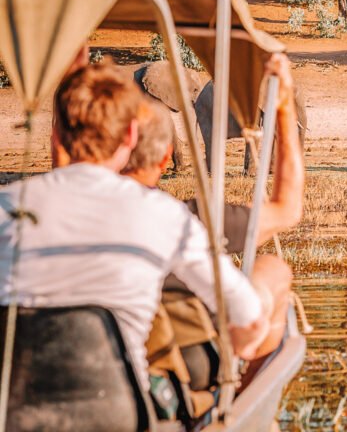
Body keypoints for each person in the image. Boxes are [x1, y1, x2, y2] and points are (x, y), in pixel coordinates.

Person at [0, 61, 282, 390]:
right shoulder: (162, 214)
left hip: (13, 409)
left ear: (56, 134)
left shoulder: (6, 206)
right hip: (121, 408)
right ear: (131, 135)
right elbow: (246, 313)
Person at [123, 54, 302, 399]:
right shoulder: (177, 221)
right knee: (273, 270)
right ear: (164, 159)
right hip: (166, 379)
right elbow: (288, 209)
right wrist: (284, 109)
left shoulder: (16, 213)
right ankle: (235, 405)